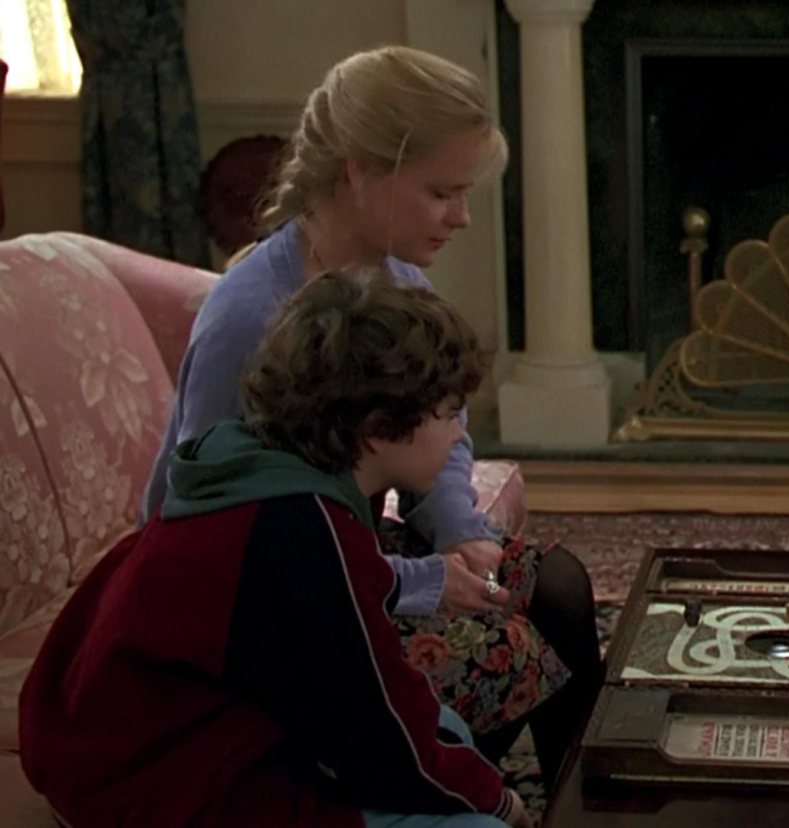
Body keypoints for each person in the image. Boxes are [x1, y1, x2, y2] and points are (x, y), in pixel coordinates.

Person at [137, 46, 601, 777]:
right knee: (503, 654)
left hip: (347, 554)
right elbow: (225, 545)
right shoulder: (250, 319)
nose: (463, 217)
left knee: (559, 588)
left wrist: (458, 532)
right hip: (259, 604)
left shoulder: (398, 278)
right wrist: (420, 582)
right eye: (441, 192)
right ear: (358, 169)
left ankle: (581, 801)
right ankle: (402, 790)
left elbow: (441, 429)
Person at [22, 272, 534, 828]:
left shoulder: (263, 473)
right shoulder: (301, 530)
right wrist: (497, 802)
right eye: (446, 415)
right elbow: (376, 732)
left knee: (444, 729)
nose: (458, 436)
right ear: (379, 428)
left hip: (146, 748)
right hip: (163, 785)